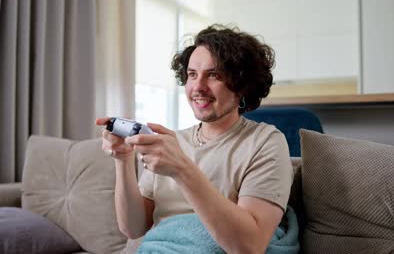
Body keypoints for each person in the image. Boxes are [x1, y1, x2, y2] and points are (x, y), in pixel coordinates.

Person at [96, 24, 293, 253]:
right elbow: (133, 228)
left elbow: (249, 246)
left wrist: (181, 169)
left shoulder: (265, 142)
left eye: (214, 75)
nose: (198, 87)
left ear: (242, 85)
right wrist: (122, 159)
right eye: (192, 75)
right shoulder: (172, 142)